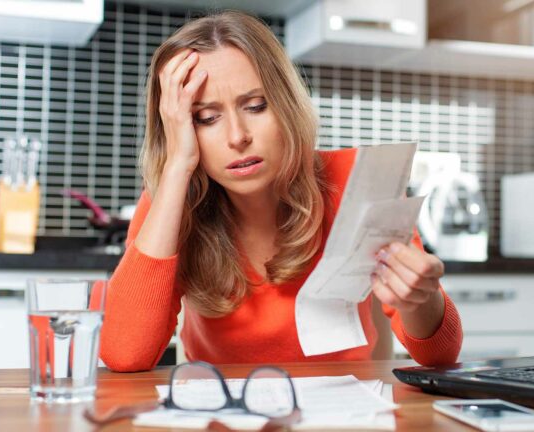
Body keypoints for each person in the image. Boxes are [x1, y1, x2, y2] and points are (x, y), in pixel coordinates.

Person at [99, 10, 462, 372]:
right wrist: (177, 164)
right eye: (206, 118)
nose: (237, 136)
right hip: (222, 413)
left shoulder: (358, 182)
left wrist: (420, 298)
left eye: (256, 106)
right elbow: (123, 354)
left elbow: (439, 356)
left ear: (286, 104)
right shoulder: (171, 202)